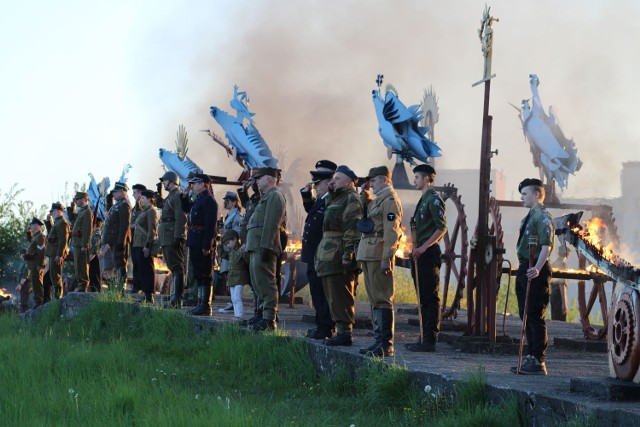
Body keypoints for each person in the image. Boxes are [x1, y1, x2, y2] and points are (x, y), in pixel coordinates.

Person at [356, 166, 403, 357]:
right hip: (368, 251)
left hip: (378, 251)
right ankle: (378, 342)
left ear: (384, 180)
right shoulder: (378, 200)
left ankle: (386, 344)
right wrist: (364, 193)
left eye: (373, 181)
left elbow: (392, 231)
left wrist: (387, 257)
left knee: (383, 298)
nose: (371, 185)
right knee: (375, 299)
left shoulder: (390, 200)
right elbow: (365, 213)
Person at [511, 178, 554, 376]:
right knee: (525, 313)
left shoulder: (543, 216)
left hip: (535, 268)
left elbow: (547, 246)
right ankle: (530, 356)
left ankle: (538, 359)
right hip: (525, 267)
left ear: (537, 194)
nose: (522, 197)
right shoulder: (530, 216)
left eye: (525, 193)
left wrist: (537, 268)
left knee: (535, 314)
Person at [316, 165, 363, 346]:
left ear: (348, 181)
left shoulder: (351, 198)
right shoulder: (336, 198)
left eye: (336, 178)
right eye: (332, 179)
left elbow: (352, 228)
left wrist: (348, 253)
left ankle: (345, 333)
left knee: (341, 294)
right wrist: (331, 194)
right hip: (328, 253)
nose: (332, 181)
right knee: (332, 294)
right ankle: (339, 329)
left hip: (339, 252)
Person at [405, 164, 446, 352]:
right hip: (420, 253)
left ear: (427, 179)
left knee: (429, 296)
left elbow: (441, 228)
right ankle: (423, 336)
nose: (415, 181)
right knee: (422, 296)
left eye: (417, 177)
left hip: (428, 253)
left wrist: (423, 247)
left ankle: (430, 339)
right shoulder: (424, 199)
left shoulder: (434, 199)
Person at [245, 167, 287, 331]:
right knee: (258, 283)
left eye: (259, 178)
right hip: (256, 246)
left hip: (264, 246)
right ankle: (263, 315)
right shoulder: (267, 197)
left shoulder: (275, 196)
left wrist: (266, 246)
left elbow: (271, 225)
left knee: (267, 284)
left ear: (269, 179)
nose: (256, 181)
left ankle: (269, 319)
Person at [301, 160, 337, 339]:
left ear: (326, 183)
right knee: (316, 291)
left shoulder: (331, 199)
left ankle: (326, 327)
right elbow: (311, 212)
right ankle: (320, 325)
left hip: (322, 253)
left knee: (322, 292)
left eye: (317, 184)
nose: (315, 188)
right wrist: (306, 195)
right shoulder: (321, 199)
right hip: (313, 253)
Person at [181, 174, 218, 315]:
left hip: (202, 239)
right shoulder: (198, 200)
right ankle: (199, 303)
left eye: (195, 184)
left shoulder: (209, 200)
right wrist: (184, 196)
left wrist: (207, 244)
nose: (192, 186)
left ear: (203, 184)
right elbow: (186, 209)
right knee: (198, 273)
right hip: (194, 238)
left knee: (205, 273)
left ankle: (205, 305)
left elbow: (210, 226)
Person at [157, 171, 187, 308]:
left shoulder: (177, 196)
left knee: (176, 267)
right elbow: (160, 205)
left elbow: (180, 218)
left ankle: (176, 299)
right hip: (166, 236)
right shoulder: (170, 196)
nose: (163, 183)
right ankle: (174, 298)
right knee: (173, 267)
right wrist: (159, 193)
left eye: (165, 181)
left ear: (171, 181)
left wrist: (178, 236)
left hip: (172, 235)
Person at [238, 170, 262, 323]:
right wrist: (243, 191)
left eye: (255, 180)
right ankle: (257, 311)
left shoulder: (264, 198)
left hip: (257, 244)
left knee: (261, 282)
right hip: (249, 244)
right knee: (254, 281)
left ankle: (264, 313)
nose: (253, 183)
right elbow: (247, 206)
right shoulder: (255, 198)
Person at [217, 191, 244, 312]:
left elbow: (237, 234)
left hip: (231, 250)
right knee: (227, 275)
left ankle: (234, 303)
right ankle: (232, 301)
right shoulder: (230, 215)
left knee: (231, 275)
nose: (225, 202)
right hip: (226, 249)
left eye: (227, 200)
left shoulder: (237, 216)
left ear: (234, 202)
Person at [101, 182, 132, 284]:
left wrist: (121, 241)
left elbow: (124, 225)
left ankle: (121, 286)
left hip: (118, 239)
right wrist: (109, 200)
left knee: (120, 263)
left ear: (122, 192)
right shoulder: (117, 205)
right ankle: (119, 284)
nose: (113, 194)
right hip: (113, 239)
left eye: (115, 192)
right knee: (117, 263)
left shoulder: (124, 205)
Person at [132, 189, 158, 303]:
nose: (140, 200)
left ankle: (149, 295)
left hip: (144, 244)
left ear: (149, 199)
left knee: (147, 269)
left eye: (142, 198)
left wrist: (148, 246)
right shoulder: (143, 211)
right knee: (141, 269)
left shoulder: (151, 211)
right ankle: (144, 293)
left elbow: (151, 230)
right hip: (137, 243)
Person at [68, 192, 94, 292]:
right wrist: (71, 207)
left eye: (78, 199)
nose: (76, 201)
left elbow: (87, 230)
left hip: (81, 244)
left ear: (84, 199)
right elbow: (72, 219)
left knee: (82, 265)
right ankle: (81, 284)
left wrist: (85, 244)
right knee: (78, 265)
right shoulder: (81, 212)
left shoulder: (87, 212)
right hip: (77, 243)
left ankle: (83, 285)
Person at [222, 229, 249, 320]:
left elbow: (247, 260)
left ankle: (239, 315)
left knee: (237, 297)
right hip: (232, 277)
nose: (227, 245)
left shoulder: (240, 250)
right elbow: (223, 255)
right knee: (233, 298)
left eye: (228, 242)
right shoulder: (231, 252)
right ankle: (236, 314)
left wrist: (244, 252)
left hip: (239, 277)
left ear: (235, 239)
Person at [45, 202, 70, 299]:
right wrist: (48, 221)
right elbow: (52, 233)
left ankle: (58, 297)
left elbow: (63, 240)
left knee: (56, 276)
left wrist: (59, 255)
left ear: (60, 211)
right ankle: (56, 297)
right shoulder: (58, 222)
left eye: (53, 211)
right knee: (53, 276)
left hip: (56, 253)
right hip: (53, 253)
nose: (52, 213)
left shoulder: (62, 223)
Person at [24, 218, 46, 308]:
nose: (30, 226)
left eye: (32, 225)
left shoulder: (40, 236)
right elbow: (31, 242)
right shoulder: (36, 236)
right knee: (34, 282)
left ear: (37, 226)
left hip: (36, 264)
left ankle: (39, 301)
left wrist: (40, 264)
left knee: (37, 283)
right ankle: (38, 301)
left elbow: (42, 251)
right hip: (33, 265)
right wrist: (28, 233)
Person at [129, 183, 147, 293]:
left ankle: (143, 287)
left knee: (142, 264)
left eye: (135, 192)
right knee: (136, 263)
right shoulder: (135, 207)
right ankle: (136, 285)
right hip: (134, 239)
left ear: (140, 194)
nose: (133, 194)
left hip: (142, 240)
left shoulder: (145, 207)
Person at [550, 246, 570, 321]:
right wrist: (564, 303)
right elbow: (562, 284)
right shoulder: (563, 265)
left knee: (554, 319)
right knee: (561, 320)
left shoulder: (553, 264)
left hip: (553, 294)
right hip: (559, 295)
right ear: (567, 254)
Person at [89, 217, 103, 292]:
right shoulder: (94, 232)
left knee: (95, 276)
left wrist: (90, 257)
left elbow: (96, 246)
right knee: (92, 276)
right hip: (92, 257)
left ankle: (96, 292)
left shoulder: (97, 232)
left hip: (94, 258)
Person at [16, 248, 31, 312]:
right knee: (23, 302)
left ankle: (26, 319)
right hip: (23, 285)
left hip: (26, 284)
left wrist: (20, 284)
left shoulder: (27, 262)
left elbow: (25, 275)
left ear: (22, 255)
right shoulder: (23, 263)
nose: (20, 256)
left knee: (24, 303)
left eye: (20, 255)